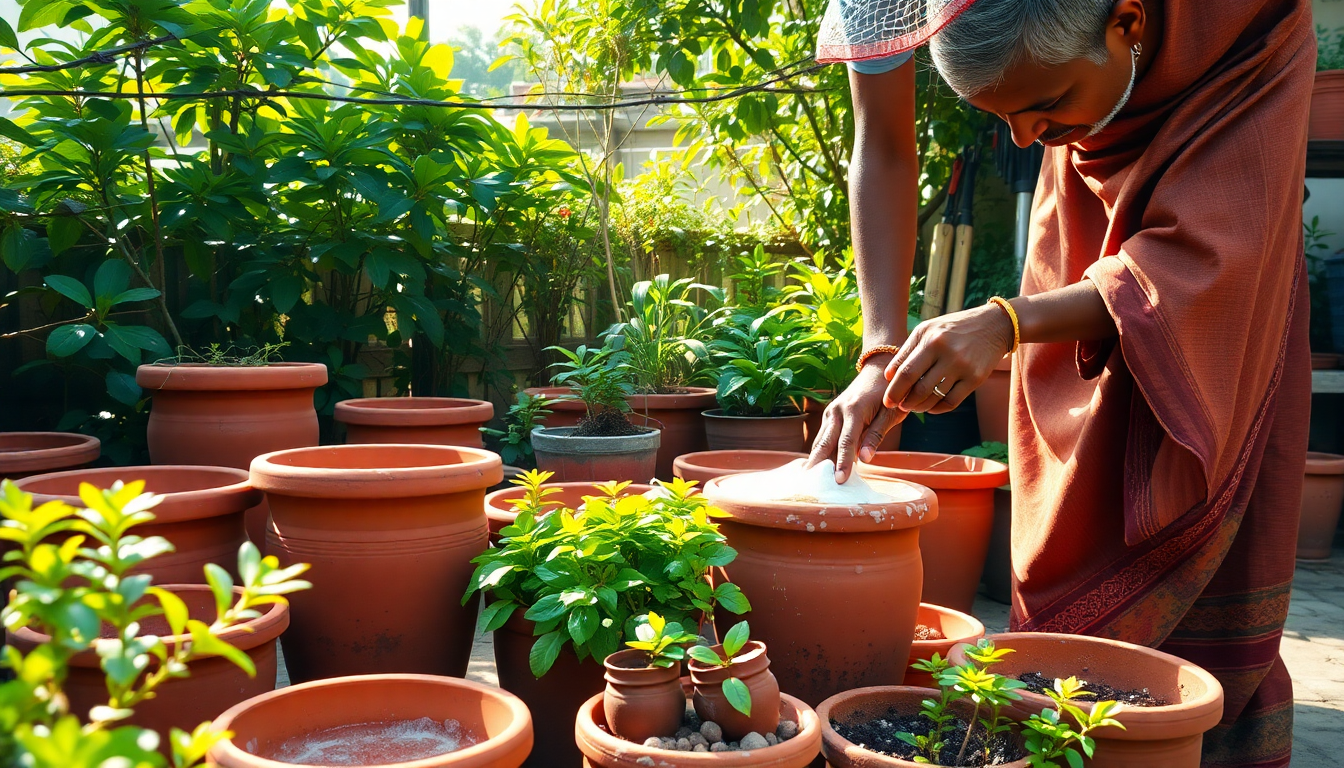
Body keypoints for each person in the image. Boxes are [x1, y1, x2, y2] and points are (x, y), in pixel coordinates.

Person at [810, 1, 1315, 765]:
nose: (1019, 139)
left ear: (1128, 22)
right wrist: (878, 355)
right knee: (1066, 489)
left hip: (1230, 211)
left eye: (1042, 104)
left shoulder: (1248, 20)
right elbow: (882, 143)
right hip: (1083, 199)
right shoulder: (885, 7)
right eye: (999, 115)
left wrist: (1005, 323)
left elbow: (1214, 255)